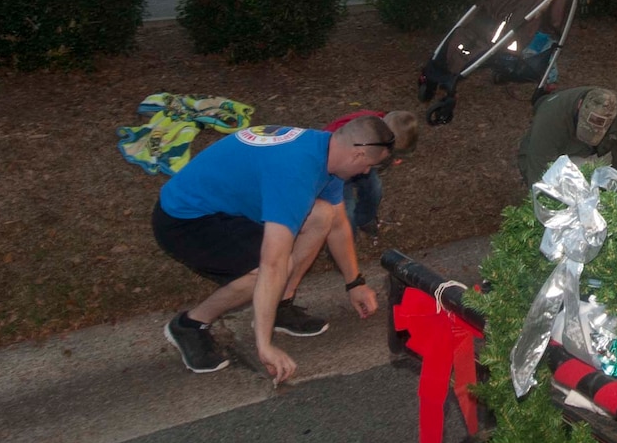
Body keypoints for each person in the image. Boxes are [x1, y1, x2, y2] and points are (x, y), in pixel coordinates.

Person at [152, 118, 391, 378]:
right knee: (269, 270)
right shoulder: (296, 172)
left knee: (323, 215)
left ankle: (279, 306)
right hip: (183, 220)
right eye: (369, 165)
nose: (367, 172)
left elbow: (337, 224)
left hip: (225, 208)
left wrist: (354, 282)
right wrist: (264, 347)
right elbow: (273, 264)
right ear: (357, 153)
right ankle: (190, 324)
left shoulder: (326, 151)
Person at [518, 86, 617, 198]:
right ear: (579, 105)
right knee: (581, 174)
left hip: (602, 155)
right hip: (564, 161)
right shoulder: (551, 116)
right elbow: (539, 171)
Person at [324, 108, 421, 238]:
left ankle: (365, 219)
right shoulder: (357, 136)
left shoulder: (381, 126)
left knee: (374, 189)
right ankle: (346, 239)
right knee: (346, 207)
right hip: (336, 165)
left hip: (362, 160)